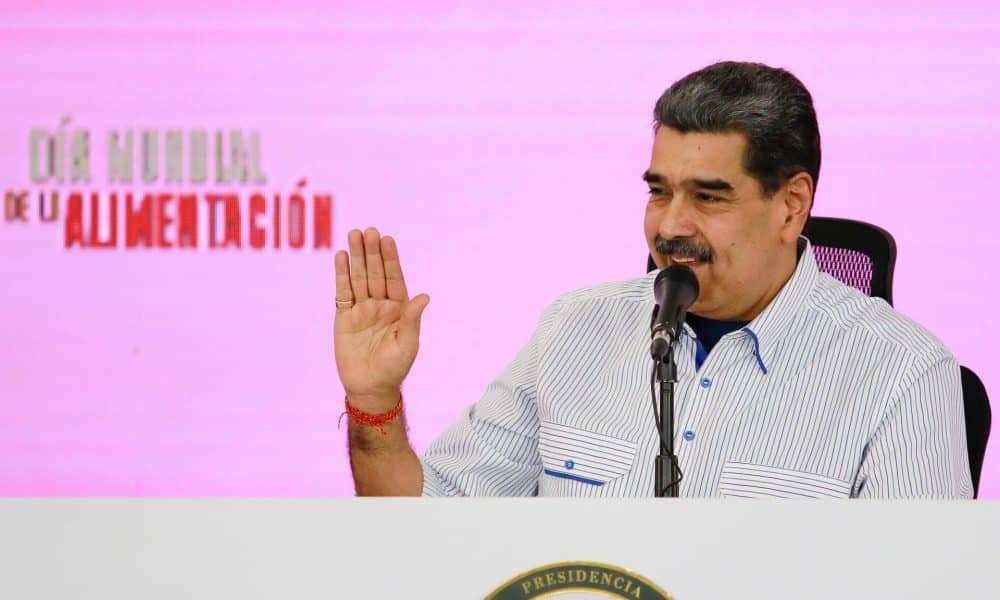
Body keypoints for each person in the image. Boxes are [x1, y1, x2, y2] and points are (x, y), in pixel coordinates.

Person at [334, 61, 973, 498]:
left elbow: (922, 582)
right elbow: (427, 525)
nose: (670, 224)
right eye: (659, 191)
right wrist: (374, 404)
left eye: (709, 197)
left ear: (791, 205)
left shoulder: (901, 373)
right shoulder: (573, 331)